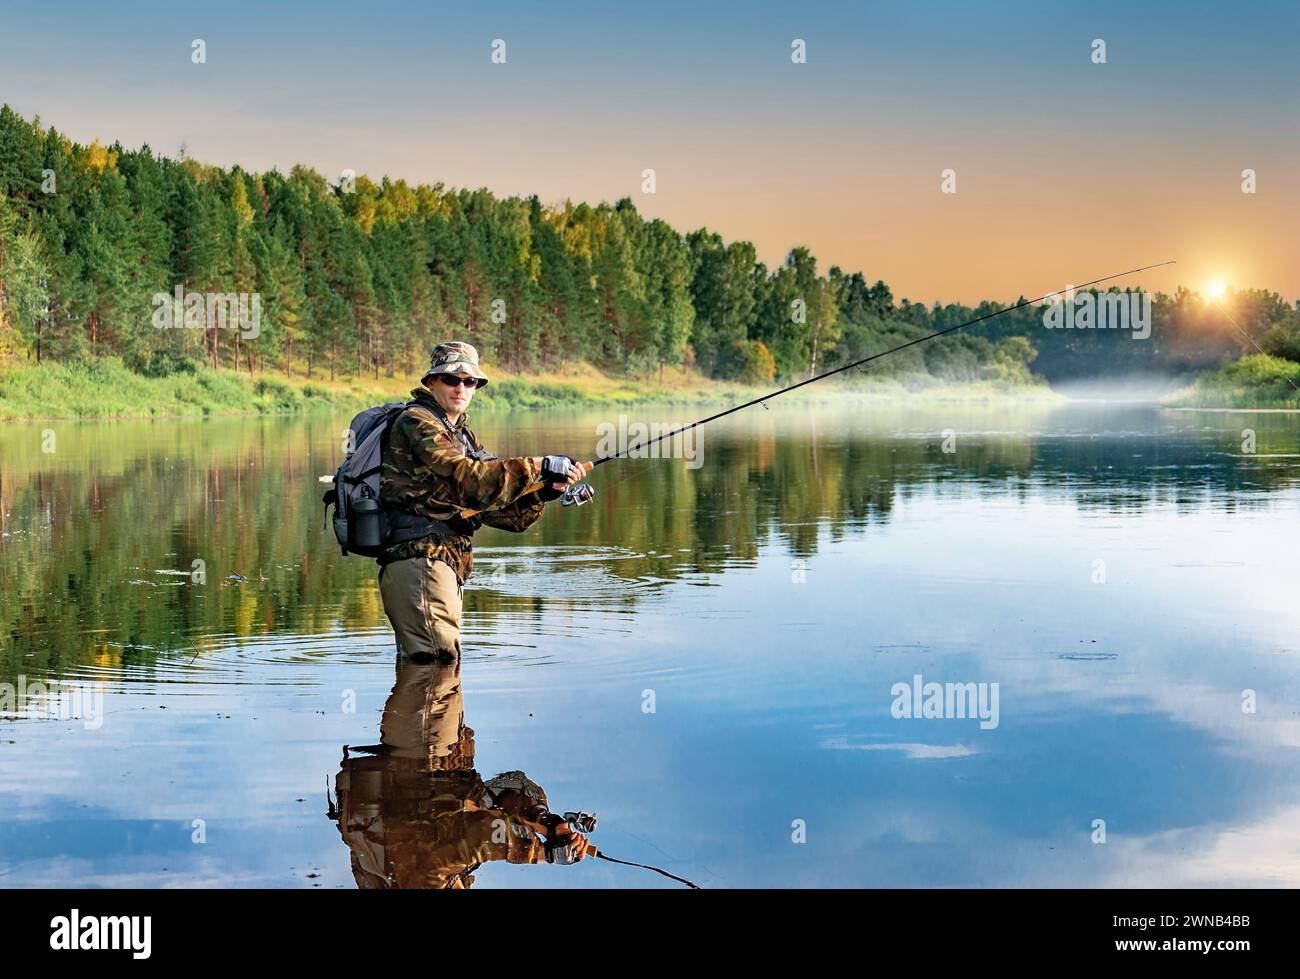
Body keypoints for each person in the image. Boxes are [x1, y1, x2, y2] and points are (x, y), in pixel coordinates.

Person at [377, 341, 589, 660]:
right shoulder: (418, 421)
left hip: (442, 565)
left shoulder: (462, 435)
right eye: (451, 379)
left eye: (470, 381)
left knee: (435, 678)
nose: (461, 387)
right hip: (420, 561)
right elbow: (469, 480)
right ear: (431, 381)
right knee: (436, 666)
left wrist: (544, 490)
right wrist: (540, 465)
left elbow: (499, 510)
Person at [329, 655, 594, 888]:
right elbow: (509, 784)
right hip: (433, 750)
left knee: (435, 652)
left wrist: (542, 853)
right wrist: (545, 822)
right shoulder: (453, 874)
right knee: (430, 654)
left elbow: (477, 835)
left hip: (425, 751)